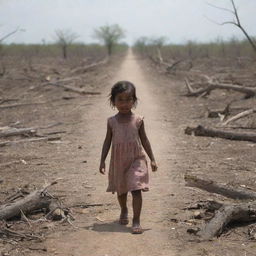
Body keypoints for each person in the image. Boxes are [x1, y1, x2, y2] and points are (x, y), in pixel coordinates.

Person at [99, 80, 157, 234]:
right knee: (122, 190)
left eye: (128, 100)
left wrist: (152, 158)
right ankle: (124, 209)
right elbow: (107, 141)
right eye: (120, 100)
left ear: (134, 101)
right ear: (113, 102)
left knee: (136, 188)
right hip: (119, 161)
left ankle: (136, 219)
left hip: (136, 159)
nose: (124, 104)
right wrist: (102, 160)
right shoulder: (112, 122)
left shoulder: (138, 120)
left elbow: (145, 140)